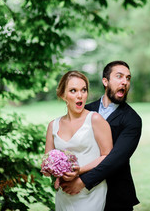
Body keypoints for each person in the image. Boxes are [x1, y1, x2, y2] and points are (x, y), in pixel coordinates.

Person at [60, 61, 142, 211]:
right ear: (105, 81)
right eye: (119, 76)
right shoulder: (86, 110)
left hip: (116, 196)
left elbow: (115, 159)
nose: (125, 82)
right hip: (82, 197)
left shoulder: (132, 120)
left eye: (128, 78)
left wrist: (82, 181)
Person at [44, 71, 113, 211]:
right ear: (63, 95)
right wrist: (54, 173)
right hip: (65, 192)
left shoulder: (95, 120)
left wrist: (79, 171)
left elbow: (108, 156)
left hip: (91, 191)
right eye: (73, 91)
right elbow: (47, 162)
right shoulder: (53, 125)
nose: (80, 95)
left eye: (83, 90)